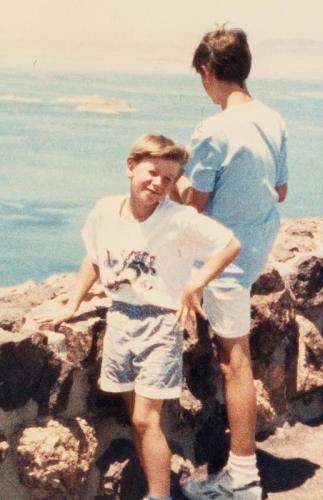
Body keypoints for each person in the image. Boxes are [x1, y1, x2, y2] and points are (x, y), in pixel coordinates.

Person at [36, 134, 241, 500]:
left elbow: (229, 245)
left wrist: (194, 284)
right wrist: (71, 304)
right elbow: (96, 259)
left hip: (160, 324)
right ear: (130, 167)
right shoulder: (105, 210)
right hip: (119, 320)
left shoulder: (178, 218)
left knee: (147, 419)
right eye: (153, 172)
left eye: (169, 178)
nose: (159, 183)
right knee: (137, 420)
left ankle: (159, 496)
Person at [174, 28, 288, 500]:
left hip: (225, 265)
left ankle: (242, 478)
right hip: (256, 247)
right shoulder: (273, 119)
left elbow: (194, 203)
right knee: (235, 360)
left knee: (234, 363)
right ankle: (241, 471)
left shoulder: (213, 129)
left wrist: (176, 181)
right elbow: (280, 191)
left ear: (207, 71)